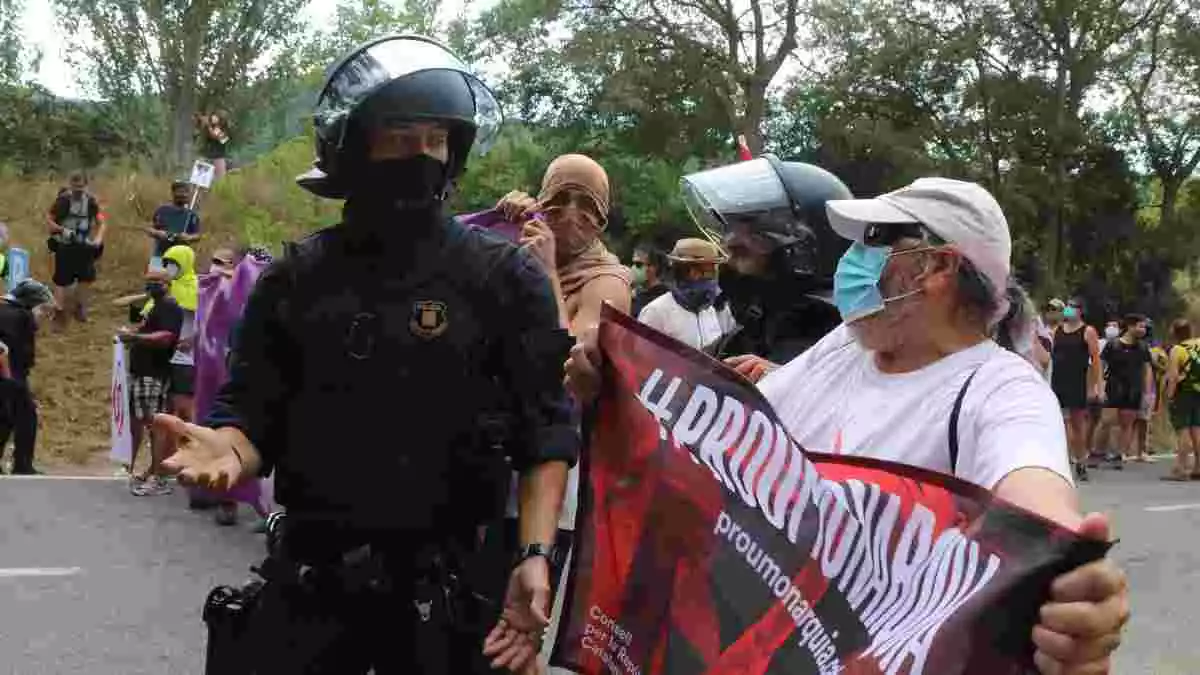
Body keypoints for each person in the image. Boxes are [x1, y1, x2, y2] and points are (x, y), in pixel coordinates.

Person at [564, 177, 1129, 675]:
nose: (849, 260)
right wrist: (618, 385)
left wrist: (1069, 583)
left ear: (936, 267)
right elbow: (724, 435)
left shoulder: (1001, 389)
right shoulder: (845, 347)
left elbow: (1036, 499)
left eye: (871, 242)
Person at [155, 35, 575, 674]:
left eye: (436, 140)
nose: (423, 157)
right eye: (402, 139)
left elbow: (545, 431)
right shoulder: (295, 279)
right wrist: (229, 450)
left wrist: (534, 553)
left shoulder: (503, 278)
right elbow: (253, 413)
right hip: (314, 584)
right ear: (355, 146)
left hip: (450, 594)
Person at [679, 155, 851, 381]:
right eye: (729, 225)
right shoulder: (754, 326)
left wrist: (783, 379)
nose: (730, 241)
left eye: (754, 228)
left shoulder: (841, 336)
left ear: (803, 246)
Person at [498, 153, 632, 333]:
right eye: (560, 199)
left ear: (600, 224)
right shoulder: (524, 247)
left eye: (587, 205)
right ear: (541, 204)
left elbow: (567, 356)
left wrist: (547, 275)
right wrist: (502, 224)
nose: (570, 212)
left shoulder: (608, 284)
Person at [120, 272, 184, 496]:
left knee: (155, 424)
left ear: (168, 285)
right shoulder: (154, 305)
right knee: (142, 422)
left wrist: (136, 338)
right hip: (141, 372)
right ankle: (148, 472)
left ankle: (159, 477)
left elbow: (167, 336)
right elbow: (148, 330)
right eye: (149, 281)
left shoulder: (169, 307)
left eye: (157, 282)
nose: (152, 285)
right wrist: (133, 333)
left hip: (153, 373)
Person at [637, 237, 736, 350]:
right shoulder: (656, 312)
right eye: (706, 272)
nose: (710, 279)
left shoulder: (717, 309)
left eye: (713, 272)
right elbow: (642, 357)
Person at [0, 280, 53, 474]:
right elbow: (16, 352)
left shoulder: (4, 310)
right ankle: (22, 465)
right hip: (10, 374)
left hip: (7, 372)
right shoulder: (22, 316)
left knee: (6, 418)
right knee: (25, 417)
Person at [1051, 298, 1103, 481]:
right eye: (1067, 307)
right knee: (1058, 424)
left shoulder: (1087, 331)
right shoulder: (1057, 330)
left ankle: (1081, 461)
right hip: (1058, 382)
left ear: (1080, 311)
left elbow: (1095, 361)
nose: (1068, 310)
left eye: (1072, 307)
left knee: (1077, 424)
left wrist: (1097, 386)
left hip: (1077, 382)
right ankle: (1062, 462)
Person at [46, 171, 106, 326]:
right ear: (70, 185)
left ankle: (79, 307)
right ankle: (59, 312)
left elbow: (101, 221)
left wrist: (98, 239)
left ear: (86, 185)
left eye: (81, 186)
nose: (78, 189)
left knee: (86, 277)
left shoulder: (91, 202)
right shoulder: (63, 201)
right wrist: (62, 230)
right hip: (65, 244)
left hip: (83, 243)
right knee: (61, 279)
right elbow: (49, 221)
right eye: (75, 186)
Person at [1098, 314, 1151, 467]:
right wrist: (1100, 385)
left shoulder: (1143, 347)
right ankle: (1097, 453)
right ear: (1130, 326)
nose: (1143, 330)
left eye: (1144, 327)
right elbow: (1101, 365)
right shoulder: (1113, 345)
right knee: (1106, 421)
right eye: (1140, 326)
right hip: (1114, 386)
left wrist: (1146, 393)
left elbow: (1147, 370)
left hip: (1133, 389)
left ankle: (1119, 455)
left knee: (1127, 423)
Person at [1164, 319, 1200, 480]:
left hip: (1184, 393)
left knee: (1183, 431)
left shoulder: (1177, 350)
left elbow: (1172, 377)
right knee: (1197, 430)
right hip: (1198, 392)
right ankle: (1198, 467)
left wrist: (1170, 396)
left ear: (1175, 333)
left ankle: (1181, 469)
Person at [146, 180, 201, 265]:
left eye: (186, 192)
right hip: (160, 254)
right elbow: (150, 229)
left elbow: (197, 235)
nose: (184, 195)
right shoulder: (162, 210)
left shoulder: (191, 215)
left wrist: (188, 237)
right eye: (180, 192)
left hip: (179, 255)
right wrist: (158, 233)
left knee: (173, 277)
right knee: (156, 276)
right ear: (173, 193)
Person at [630, 243, 669, 317]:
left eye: (638, 265)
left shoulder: (665, 297)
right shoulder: (635, 294)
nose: (633, 268)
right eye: (633, 264)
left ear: (653, 268)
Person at [198, 111, 231, 179]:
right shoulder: (210, 127)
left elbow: (216, 136)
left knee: (220, 181)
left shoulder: (224, 130)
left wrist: (208, 125)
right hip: (206, 157)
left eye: (216, 116)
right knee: (201, 180)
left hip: (218, 158)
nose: (213, 117)